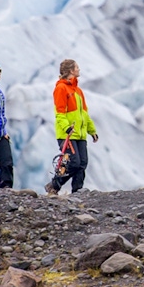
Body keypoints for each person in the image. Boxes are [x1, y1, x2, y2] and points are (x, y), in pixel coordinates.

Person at [45, 59, 98, 195]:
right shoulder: (61, 88)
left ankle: (77, 192)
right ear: (70, 71)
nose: (79, 69)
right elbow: (60, 113)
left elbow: (84, 114)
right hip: (67, 134)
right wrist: (67, 128)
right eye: (77, 67)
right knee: (73, 163)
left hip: (80, 134)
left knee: (82, 164)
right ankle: (54, 185)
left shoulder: (78, 91)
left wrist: (92, 131)